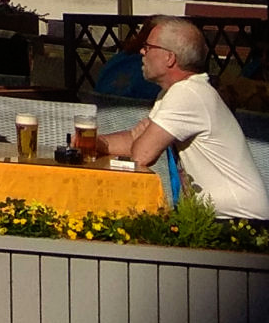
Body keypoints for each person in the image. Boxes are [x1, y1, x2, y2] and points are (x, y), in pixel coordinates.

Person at [97, 17, 269, 219]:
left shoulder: (187, 94)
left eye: (148, 47)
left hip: (239, 221)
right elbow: (136, 138)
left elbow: (142, 155)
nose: (142, 52)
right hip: (216, 217)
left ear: (170, 58)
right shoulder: (175, 92)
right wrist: (96, 143)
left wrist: (142, 138)